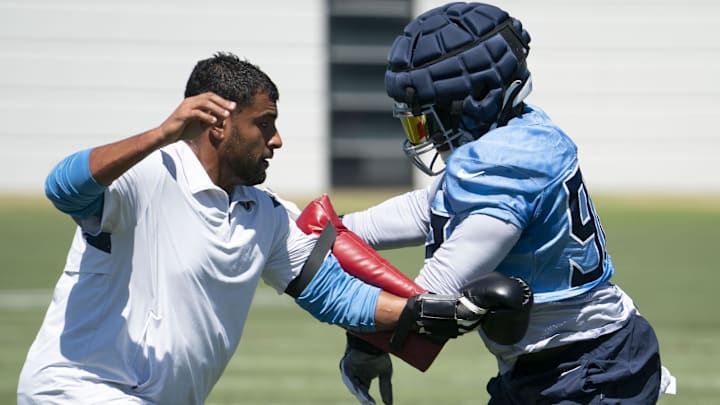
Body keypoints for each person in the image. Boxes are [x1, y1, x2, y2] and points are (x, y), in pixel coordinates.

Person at [16, 52, 523, 404]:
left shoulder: (267, 214)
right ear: (217, 122)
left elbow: (334, 295)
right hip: (78, 391)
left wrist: (439, 312)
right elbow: (63, 189)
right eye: (265, 123)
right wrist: (161, 133)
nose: (276, 140)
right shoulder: (147, 177)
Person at [337, 2, 675, 404]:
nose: (422, 133)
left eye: (425, 118)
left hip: (587, 370)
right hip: (564, 363)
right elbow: (430, 209)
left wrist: (363, 335)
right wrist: (332, 229)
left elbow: (434, 292)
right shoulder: (518, 135)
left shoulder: (505, 165)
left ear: (473, 99)